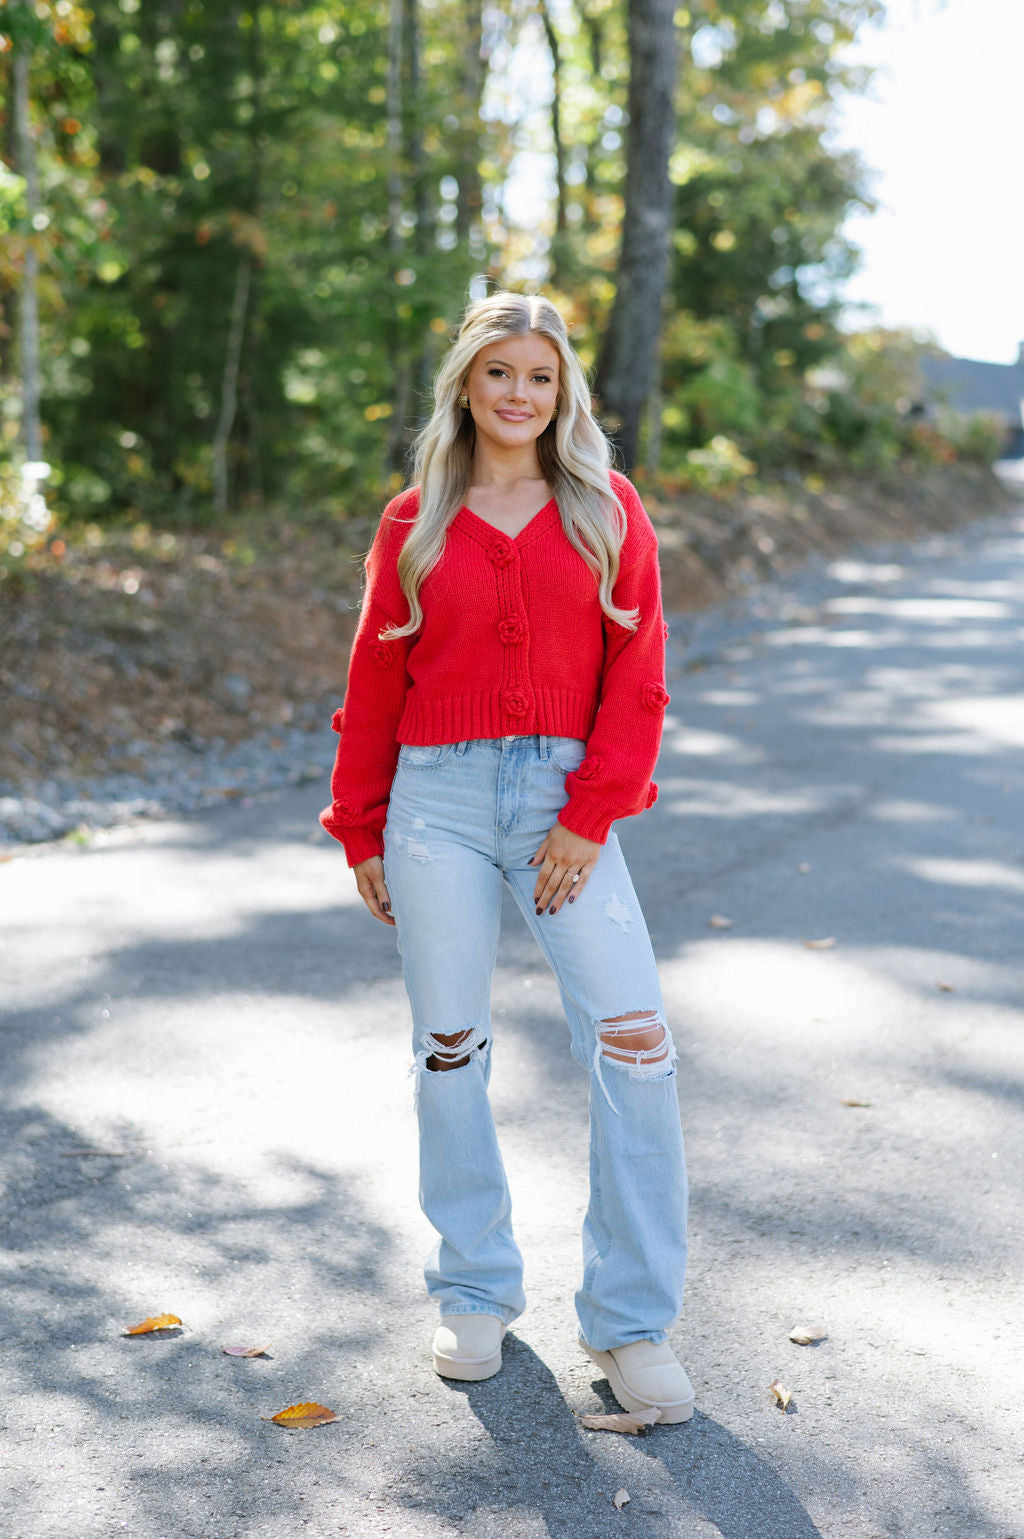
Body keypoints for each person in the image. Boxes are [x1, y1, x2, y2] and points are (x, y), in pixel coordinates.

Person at [320, 291, 692, 1423]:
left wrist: (591, 811)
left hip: (561, 800)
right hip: (432, 803)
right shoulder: (413, 520)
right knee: (449, 1048)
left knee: (633, 1042)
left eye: (539, 375)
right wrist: (361, 823)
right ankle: (474, 1288)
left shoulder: (606, 508)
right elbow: (374, 682)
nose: (519, 394)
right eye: (499, 375)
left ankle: (630, 1323)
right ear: (467, 389)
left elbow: (641, 677)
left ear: (562, 389)